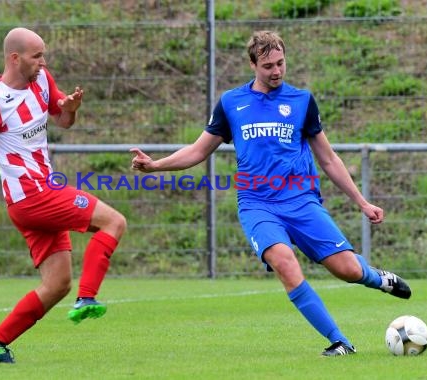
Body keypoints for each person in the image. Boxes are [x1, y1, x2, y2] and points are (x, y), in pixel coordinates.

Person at [130, 30, 411, 357]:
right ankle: (340, 342)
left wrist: (362, 202)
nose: (276, 71)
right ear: (253, 65)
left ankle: (376, 278)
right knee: (284, 261)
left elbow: (328, 158)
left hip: (301, 200)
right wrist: (155, 166)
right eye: (268, 66)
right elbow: (197, 151)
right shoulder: (231, 103)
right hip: (257, 205)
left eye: (280, 63)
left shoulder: (302, 101)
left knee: (347, 270)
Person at [0, 27, 126, 364]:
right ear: (15, 58)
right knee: (114, 222)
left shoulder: (42, 80)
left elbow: (63, 120)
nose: (43, 62)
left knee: (57, 284)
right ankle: (87, 299)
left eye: (43, 54)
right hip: (34, 196)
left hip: (36, 197)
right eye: (37, 56)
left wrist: (70, 108)